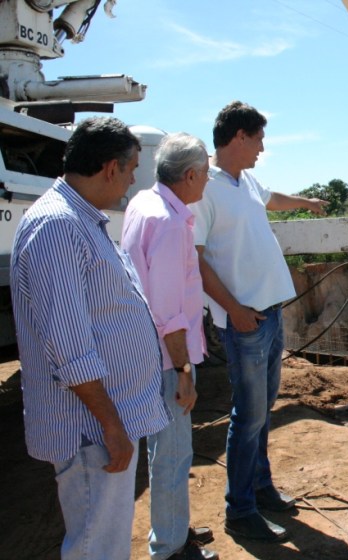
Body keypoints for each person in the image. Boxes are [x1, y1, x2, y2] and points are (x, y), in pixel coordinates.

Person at [10, 116, 170, 560]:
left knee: (105, 541)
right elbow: (69, 347)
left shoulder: (78, 221)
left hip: (102, 423)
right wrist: (111, 425)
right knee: (95, 547)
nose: (134, 179)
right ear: (110, 168)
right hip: (90, 429)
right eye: (132, 168)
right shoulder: (58, 226)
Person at [189, 101, 326, 542]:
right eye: (259, 139)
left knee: (261, 412)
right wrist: (234, 310)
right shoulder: (204, 188)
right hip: (244, 321)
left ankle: (261, 488)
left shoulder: (245, 180)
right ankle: (240, 509)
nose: (263, 148)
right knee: (248, 416)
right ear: (239, 137)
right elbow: (196, 260)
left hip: (269, 313)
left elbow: (272, 198)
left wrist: (306, 203)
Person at [122, 133, 218, 560]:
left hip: (147, 350)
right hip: (166, 358)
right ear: (190, 174)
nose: (208, 181)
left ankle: (173, 528)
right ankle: (170, 548)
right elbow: (167, 310)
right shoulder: (171, 222)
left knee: (164, 452)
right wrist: (183, 371)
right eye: (206, 173)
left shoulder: (144, 203)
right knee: (174, 455)